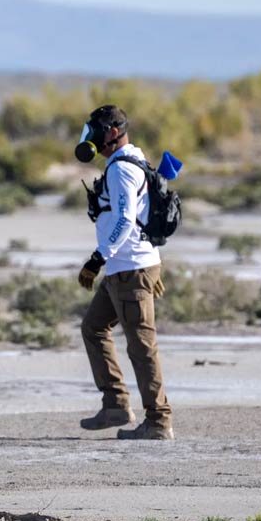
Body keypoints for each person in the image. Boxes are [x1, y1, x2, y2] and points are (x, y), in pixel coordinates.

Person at [75, 105, 173, 440]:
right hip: (126, 268)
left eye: (95, 132)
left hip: (129, 269)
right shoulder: (128, 163)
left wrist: (97, 259)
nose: (90, 139)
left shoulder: (121, 170)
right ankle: (115, 404)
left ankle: (158, 421)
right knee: (93, 328)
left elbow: (125, 220)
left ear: (113, 133)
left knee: (142, 347)